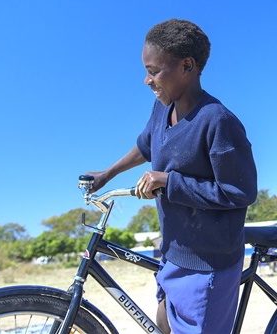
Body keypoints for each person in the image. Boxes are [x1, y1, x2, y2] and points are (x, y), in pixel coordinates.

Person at [85, 18, 258, 333]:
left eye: (154, 71)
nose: (147, 80)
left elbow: (239, 192)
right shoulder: (161, 111)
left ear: (187, 66)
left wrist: (168, 182)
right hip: (173, 253)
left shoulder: (217, 122)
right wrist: (108, 174)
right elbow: (146, 146)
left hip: (208, 265)